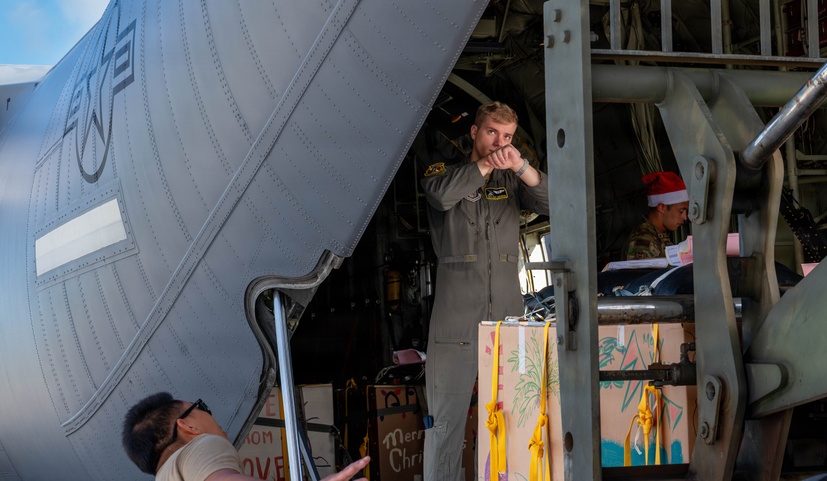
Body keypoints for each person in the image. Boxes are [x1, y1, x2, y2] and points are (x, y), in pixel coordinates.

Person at [420, 101, 549, 481]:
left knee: (514, 421)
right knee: (445, 424)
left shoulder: (512, 180)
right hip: (455, 324)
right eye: (492, 132)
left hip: (508, 322)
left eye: (507, 136)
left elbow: (555, 204)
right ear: (475, 132)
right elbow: (441, 196)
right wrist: (488, 165)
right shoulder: (444, 172)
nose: (499, 142)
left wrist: (522, 167)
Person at [121, 392, 370, 481]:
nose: (211, 414)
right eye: (202, 407)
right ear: (188, 426)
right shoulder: (199, 447)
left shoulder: (167, 475)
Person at [624, 171, 689, 260]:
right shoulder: (643, 242)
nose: (685, 217)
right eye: (681, 211)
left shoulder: (659, 235)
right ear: (662, 207)